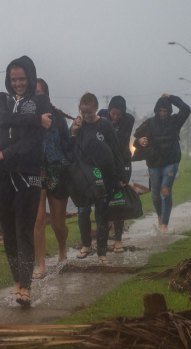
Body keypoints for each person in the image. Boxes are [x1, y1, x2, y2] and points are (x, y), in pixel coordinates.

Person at [0, 56, 52, 306]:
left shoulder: (41, 100)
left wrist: (6, 153)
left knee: (24, 230)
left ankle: (26, 285)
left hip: (28, 174)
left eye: (22, 79)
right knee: (9, 232)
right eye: (13, 79)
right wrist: (35, 119)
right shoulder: (2, 99)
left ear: (31, 77)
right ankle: (16, 279)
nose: (17, 84)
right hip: (1, 175)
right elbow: (2, 119)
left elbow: (34, 140)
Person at [71, 92, 124, 265]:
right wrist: (73, 132)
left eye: (89, 112)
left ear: (95, 109)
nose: (86, 115)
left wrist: (119, 175)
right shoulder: (79, 127)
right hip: (84, 179)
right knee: (83, 211)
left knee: (102, 214)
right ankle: (86, 245)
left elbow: (115, 150)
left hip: (104, 177)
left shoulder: (105, 126)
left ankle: (102, 252)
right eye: (83, 112)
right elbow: (71, 149)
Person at [32, 78, 72, 279]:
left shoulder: (58, 116)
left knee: (58, 222)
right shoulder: (28, 116)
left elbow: (67, 143)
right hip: (36, 171)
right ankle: (40, 264)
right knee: (38, 219)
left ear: (47, 94)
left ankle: (63, 249)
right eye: (35, 92)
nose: (38, 95)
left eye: (41, 92)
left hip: (57, 170)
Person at [133, 94, 190, 234]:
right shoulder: (150, 123)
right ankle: (160, 216)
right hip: (154, 163)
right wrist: (140, 141)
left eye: (166, 111)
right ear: (157, 111)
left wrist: (171, 97)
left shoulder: (175, 121)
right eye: (161, 111)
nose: (163, 114)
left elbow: (186, 109)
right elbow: (137, 138)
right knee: (155, 195)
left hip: (171, 161)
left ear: (169, 111)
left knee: (165, 190)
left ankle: (164, 225)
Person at [98, 96, 135, 253]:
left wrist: (110, 125)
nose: (115, 117)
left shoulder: (128, 120)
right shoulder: (101, 114)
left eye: (118, 114)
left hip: (122, 163)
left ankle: (118, 239)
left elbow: (119, 141)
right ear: (109, 110)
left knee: (119, 201)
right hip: (104, 163)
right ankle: (103, 239)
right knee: (102, 201)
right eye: (113, 113)